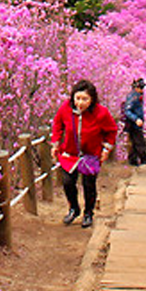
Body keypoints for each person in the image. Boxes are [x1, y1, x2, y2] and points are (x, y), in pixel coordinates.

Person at [51, 79, 118, 228]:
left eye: (85, 99)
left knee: (89, 185)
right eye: (78, 98)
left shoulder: (101, 113)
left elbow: (111, 131)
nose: (80, 103)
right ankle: (74, 208)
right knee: (68, 182)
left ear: (92, 99)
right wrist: (55, 143)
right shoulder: (65, 109)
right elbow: (57, 124)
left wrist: (106, 149)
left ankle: (88, 213)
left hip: (91, 155)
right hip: (70, 153)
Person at [121, 78, 146, 166]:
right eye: (141, 87)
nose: (142, 90)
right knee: (139, 142)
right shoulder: (133, 96)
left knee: (135, 143)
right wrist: (136, 119)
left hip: (137, 123)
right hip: (133, 124)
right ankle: (142, 159)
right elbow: (127, 110)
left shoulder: (138, 95)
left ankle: (133, 160)